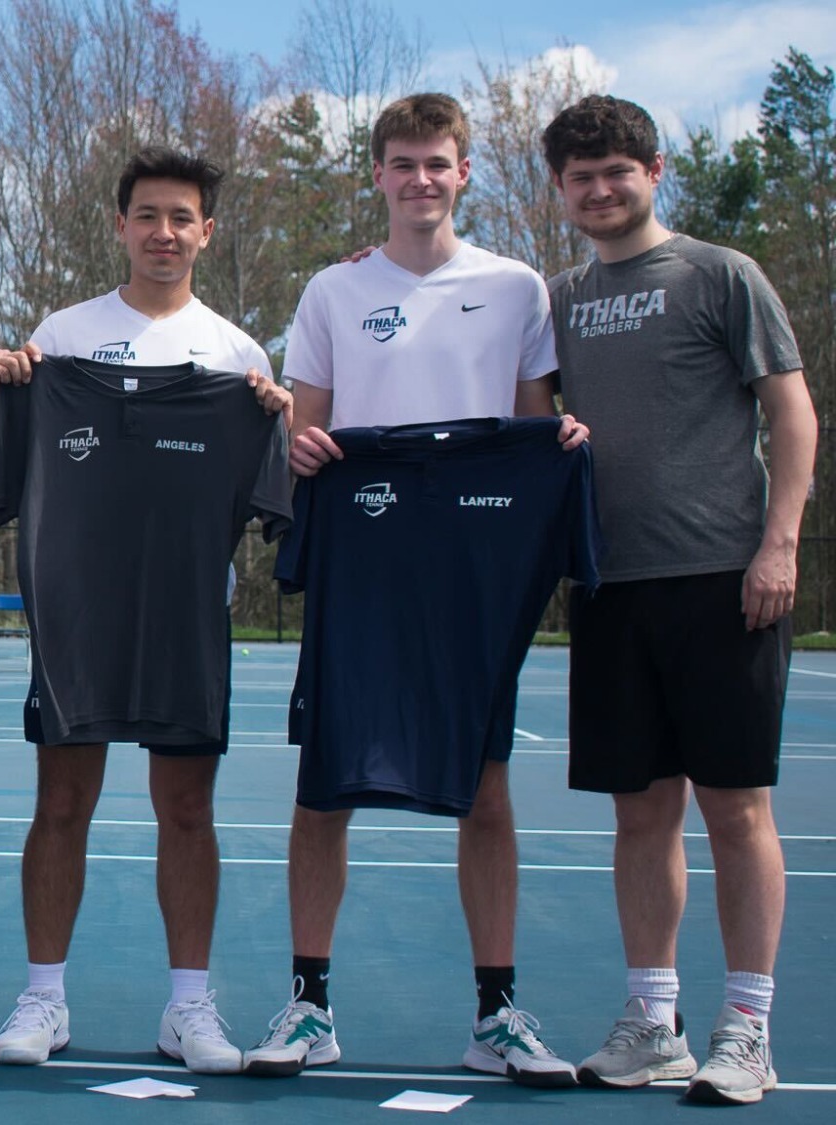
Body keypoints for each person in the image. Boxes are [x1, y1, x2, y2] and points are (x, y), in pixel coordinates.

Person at [247, 93, 585, 1087]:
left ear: (463, 172)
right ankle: (308, 1004)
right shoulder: (330, 292)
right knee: (325, 785)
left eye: (436, 163)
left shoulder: (516, 286)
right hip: (367, 552)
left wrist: (556, 445)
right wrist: (303, 447)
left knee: (484, 789)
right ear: (378, 175)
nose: (419, 180)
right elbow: (304, 431)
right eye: (400, 163)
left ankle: (494, 1014)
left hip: (471, 571)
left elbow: (529, 425)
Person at [0, 147, 290, 1071]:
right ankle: (42, 999)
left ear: (206, 231)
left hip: (188, 618)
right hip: (76, 620)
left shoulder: (239, 357)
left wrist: (270, 415)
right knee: (61, 801)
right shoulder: (61, 340)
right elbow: (4, 461)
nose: (163, 232)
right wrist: (2, 386)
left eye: (181, 217)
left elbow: (273, 499)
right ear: (121, 226)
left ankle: (189, 1007)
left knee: (187, 809)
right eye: (146, 215)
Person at [541, 94, 813, 1106]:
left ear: (652, 170)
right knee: (637, 815)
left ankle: (744, 1027)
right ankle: (650, 1022)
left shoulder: (717, 275)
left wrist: (775, 544)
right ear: (559, 192)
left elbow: (789, 412)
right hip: (609, 586)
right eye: (580, 177)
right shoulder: (558, 298)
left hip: (721, 579)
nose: (600, 189)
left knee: (735, 809)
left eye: (617, 170)